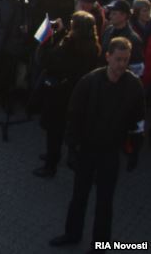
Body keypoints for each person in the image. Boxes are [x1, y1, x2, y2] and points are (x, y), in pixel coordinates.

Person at [49, 37, 145, 247]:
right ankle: (72, 234)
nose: (121, 65)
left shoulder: (133, 86)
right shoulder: (90, 82)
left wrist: (135, 150)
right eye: (118, 59)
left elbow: (138, 121)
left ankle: (101, 244)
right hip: (88, 149)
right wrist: (72, 147)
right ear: (108, 57)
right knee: (79, 196)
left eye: (125, 60)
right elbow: (74, 115)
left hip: (110, 153)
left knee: (105, 203)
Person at [33, 11, 102, 178]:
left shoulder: (68, 46)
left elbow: (47, 61)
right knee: (72, 128)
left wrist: (49, 38)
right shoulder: (94, 46)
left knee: (54, 131)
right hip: (79, 94)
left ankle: (51, 164)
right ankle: (70, 156)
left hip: (59, 94)